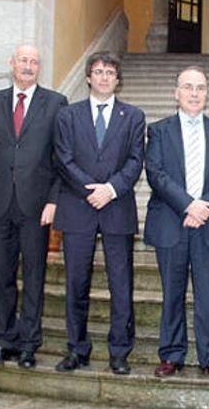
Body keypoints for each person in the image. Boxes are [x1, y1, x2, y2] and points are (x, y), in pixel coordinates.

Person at [0, 44, 67, 369]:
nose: (28, 66)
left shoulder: (55, 103)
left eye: (34, 62)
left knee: (35, 276)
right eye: (23, 60)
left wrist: (54, 200)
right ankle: (4, 339)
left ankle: (29, 344)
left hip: (36, 206)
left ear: (40, 67)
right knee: (1, 275)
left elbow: (60, 160)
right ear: (12, 64)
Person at [52, 51, 145, 374]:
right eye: (99, 71)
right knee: (76, 283)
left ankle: (120, 351)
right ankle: (77, 349)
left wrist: (111, 189)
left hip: (117, 207)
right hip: (78, 207)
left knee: (121, 284)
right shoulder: (68, 115)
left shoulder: (133, 116)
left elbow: (136, 160)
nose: (104, 77)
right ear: (88, 77)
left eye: (110, 72)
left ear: (118, 80)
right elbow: (63, 158)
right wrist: (91, 188)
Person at [143, 66, 209, 380]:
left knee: (207, 296)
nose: (195, 93)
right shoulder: (158, 130)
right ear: (176, 93)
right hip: (172, 223)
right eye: (188, 87)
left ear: (207, 94)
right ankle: (171, 355)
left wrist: (205, 206)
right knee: (172, 294)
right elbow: (156, 174)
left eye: (200, 88)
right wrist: (188, 205)